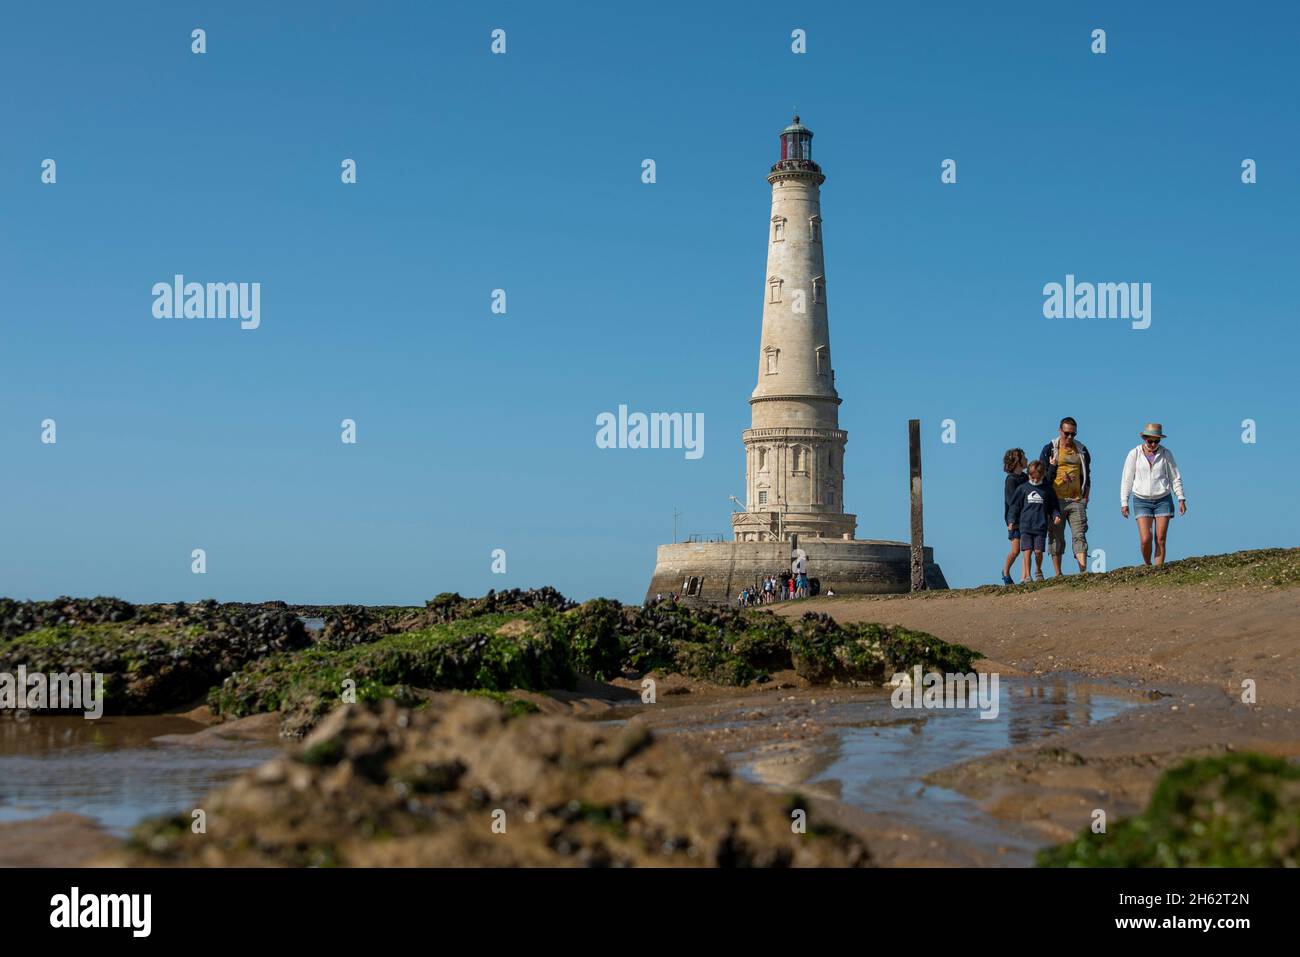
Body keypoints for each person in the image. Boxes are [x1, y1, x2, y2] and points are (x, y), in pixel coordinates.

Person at [1120, 423, 1187, 566]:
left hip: (1163, 499)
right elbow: (1127, 479)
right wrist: (1124, 502)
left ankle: (1158, 570)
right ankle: (1147, 565)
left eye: (1156, 441)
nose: (1153, 444)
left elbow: (1175, 477)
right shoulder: (1134, 454)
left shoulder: (1166, 454)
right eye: (1150, 441)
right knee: (1146, 539)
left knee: (1160, 538)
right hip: (1141, 500)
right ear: (1144, 438)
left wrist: (1181, 498)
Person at [1040, 417, 1092, 576]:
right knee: (1056, 537)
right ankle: (1058, 574)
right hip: (1056, 500)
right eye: (1067, 434)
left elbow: (1087, 474)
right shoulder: (1050, 448)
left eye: (1073, 434)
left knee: (1079, 535)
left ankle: (1083, 571)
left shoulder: (1081, 450)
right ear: (1060, 431)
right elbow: (1042, 477)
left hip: (1077, 499)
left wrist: (1086, 496)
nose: (1070, 437)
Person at [1007, 460, 1062, 582]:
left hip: (1040, 526)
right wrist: (1011, 521)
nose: (1035, 480)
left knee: (1038, 552)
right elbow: (1014, 506)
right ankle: (1027, 575)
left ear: (1042, 475)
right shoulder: (1023, 488)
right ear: (1029, 475)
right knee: (1027, 550)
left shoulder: (1047, 490)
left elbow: (1053, 506)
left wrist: (1056, 515)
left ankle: (1038, 570)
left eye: (1038, 478)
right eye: (1032, 477)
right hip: (1025, 526)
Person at [1001, 448, 1028, 584]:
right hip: (1015, 520)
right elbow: (1011, 501)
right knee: (1016, 550)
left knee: (1026, 549)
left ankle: (1024, 577)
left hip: (1028, 519)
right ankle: (1005, 571)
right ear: (1017, 461)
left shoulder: (1026, 477)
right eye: (1024, 457)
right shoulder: (1011, 480)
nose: (1026, 460)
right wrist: (1011, 520)